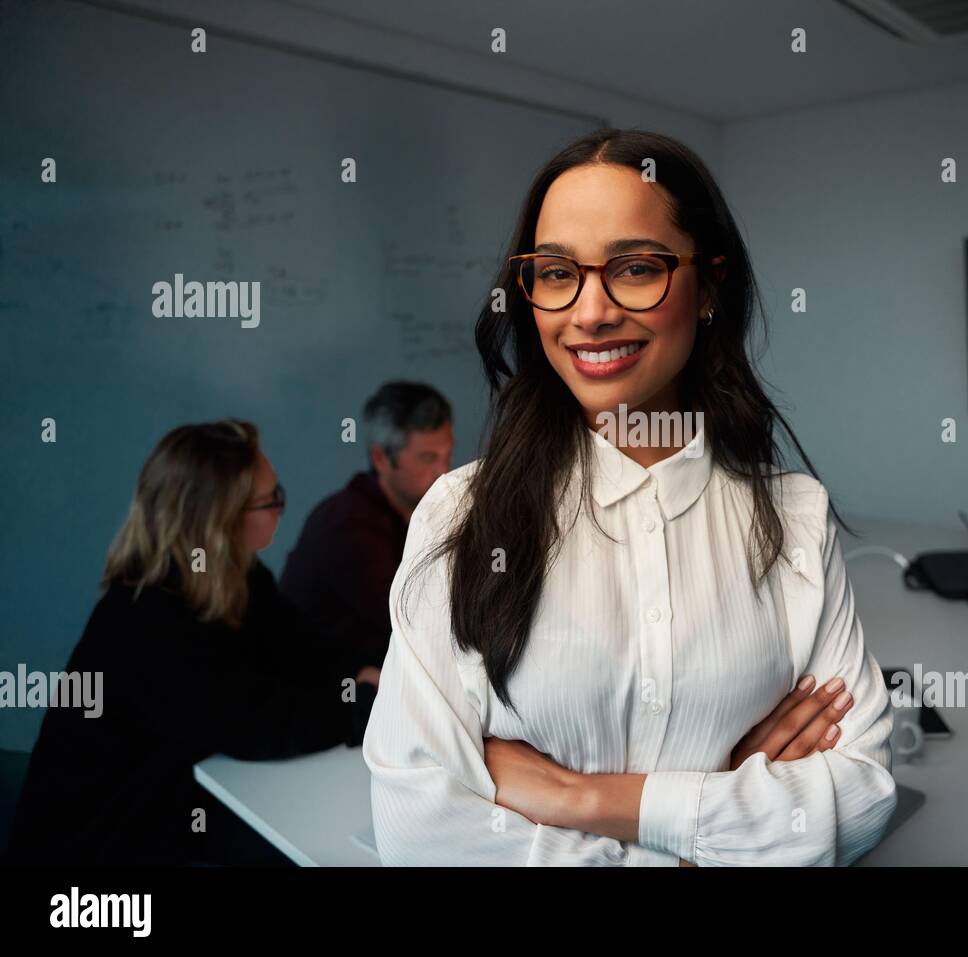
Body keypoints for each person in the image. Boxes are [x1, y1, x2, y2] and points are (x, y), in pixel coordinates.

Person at [362, 128, 897, 867]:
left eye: (636, 267)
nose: (590, 312)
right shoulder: (460, 516)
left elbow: (861, 793)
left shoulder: (795, 516)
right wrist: (711, 815)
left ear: (709, 286)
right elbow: (421, 834)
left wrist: (584, 797)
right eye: (556, 273)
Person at [4, 420, 378, 866]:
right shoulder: (143, 619)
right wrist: (367, 702)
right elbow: (258, 726)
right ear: (220, 521)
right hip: (93, 856)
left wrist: (358, 676)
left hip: (175, 811)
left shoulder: (240, 576)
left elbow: (309, 652)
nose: (282, 508)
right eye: (269, 500)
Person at [281, 382, 454, 674]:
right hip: (326, 700)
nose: (444, 471)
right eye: (427, 458)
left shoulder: (412, 514)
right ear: (380, 459)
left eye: (447, 455)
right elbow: (420, 622)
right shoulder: (348, 527)